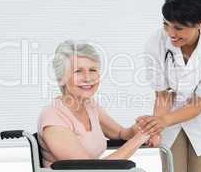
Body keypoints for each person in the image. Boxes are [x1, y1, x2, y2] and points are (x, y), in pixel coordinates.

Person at [139, 0, 201, 172]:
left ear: (200, 23)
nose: (171, 33)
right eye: (166, 24)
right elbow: (162, 95)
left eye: (178, 28)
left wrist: (162, 121)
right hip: (169, 114)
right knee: (172, 168)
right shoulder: (155, 44)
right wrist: (157, 126)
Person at [37, 40, 150, 168]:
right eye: (78, 71)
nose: (88, 78)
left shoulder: (89, 105)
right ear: (61, 77)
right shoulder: (53, 116)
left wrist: (141, 128)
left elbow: (120, 133)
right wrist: (139, 138)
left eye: (92, 70)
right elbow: (89, 169)